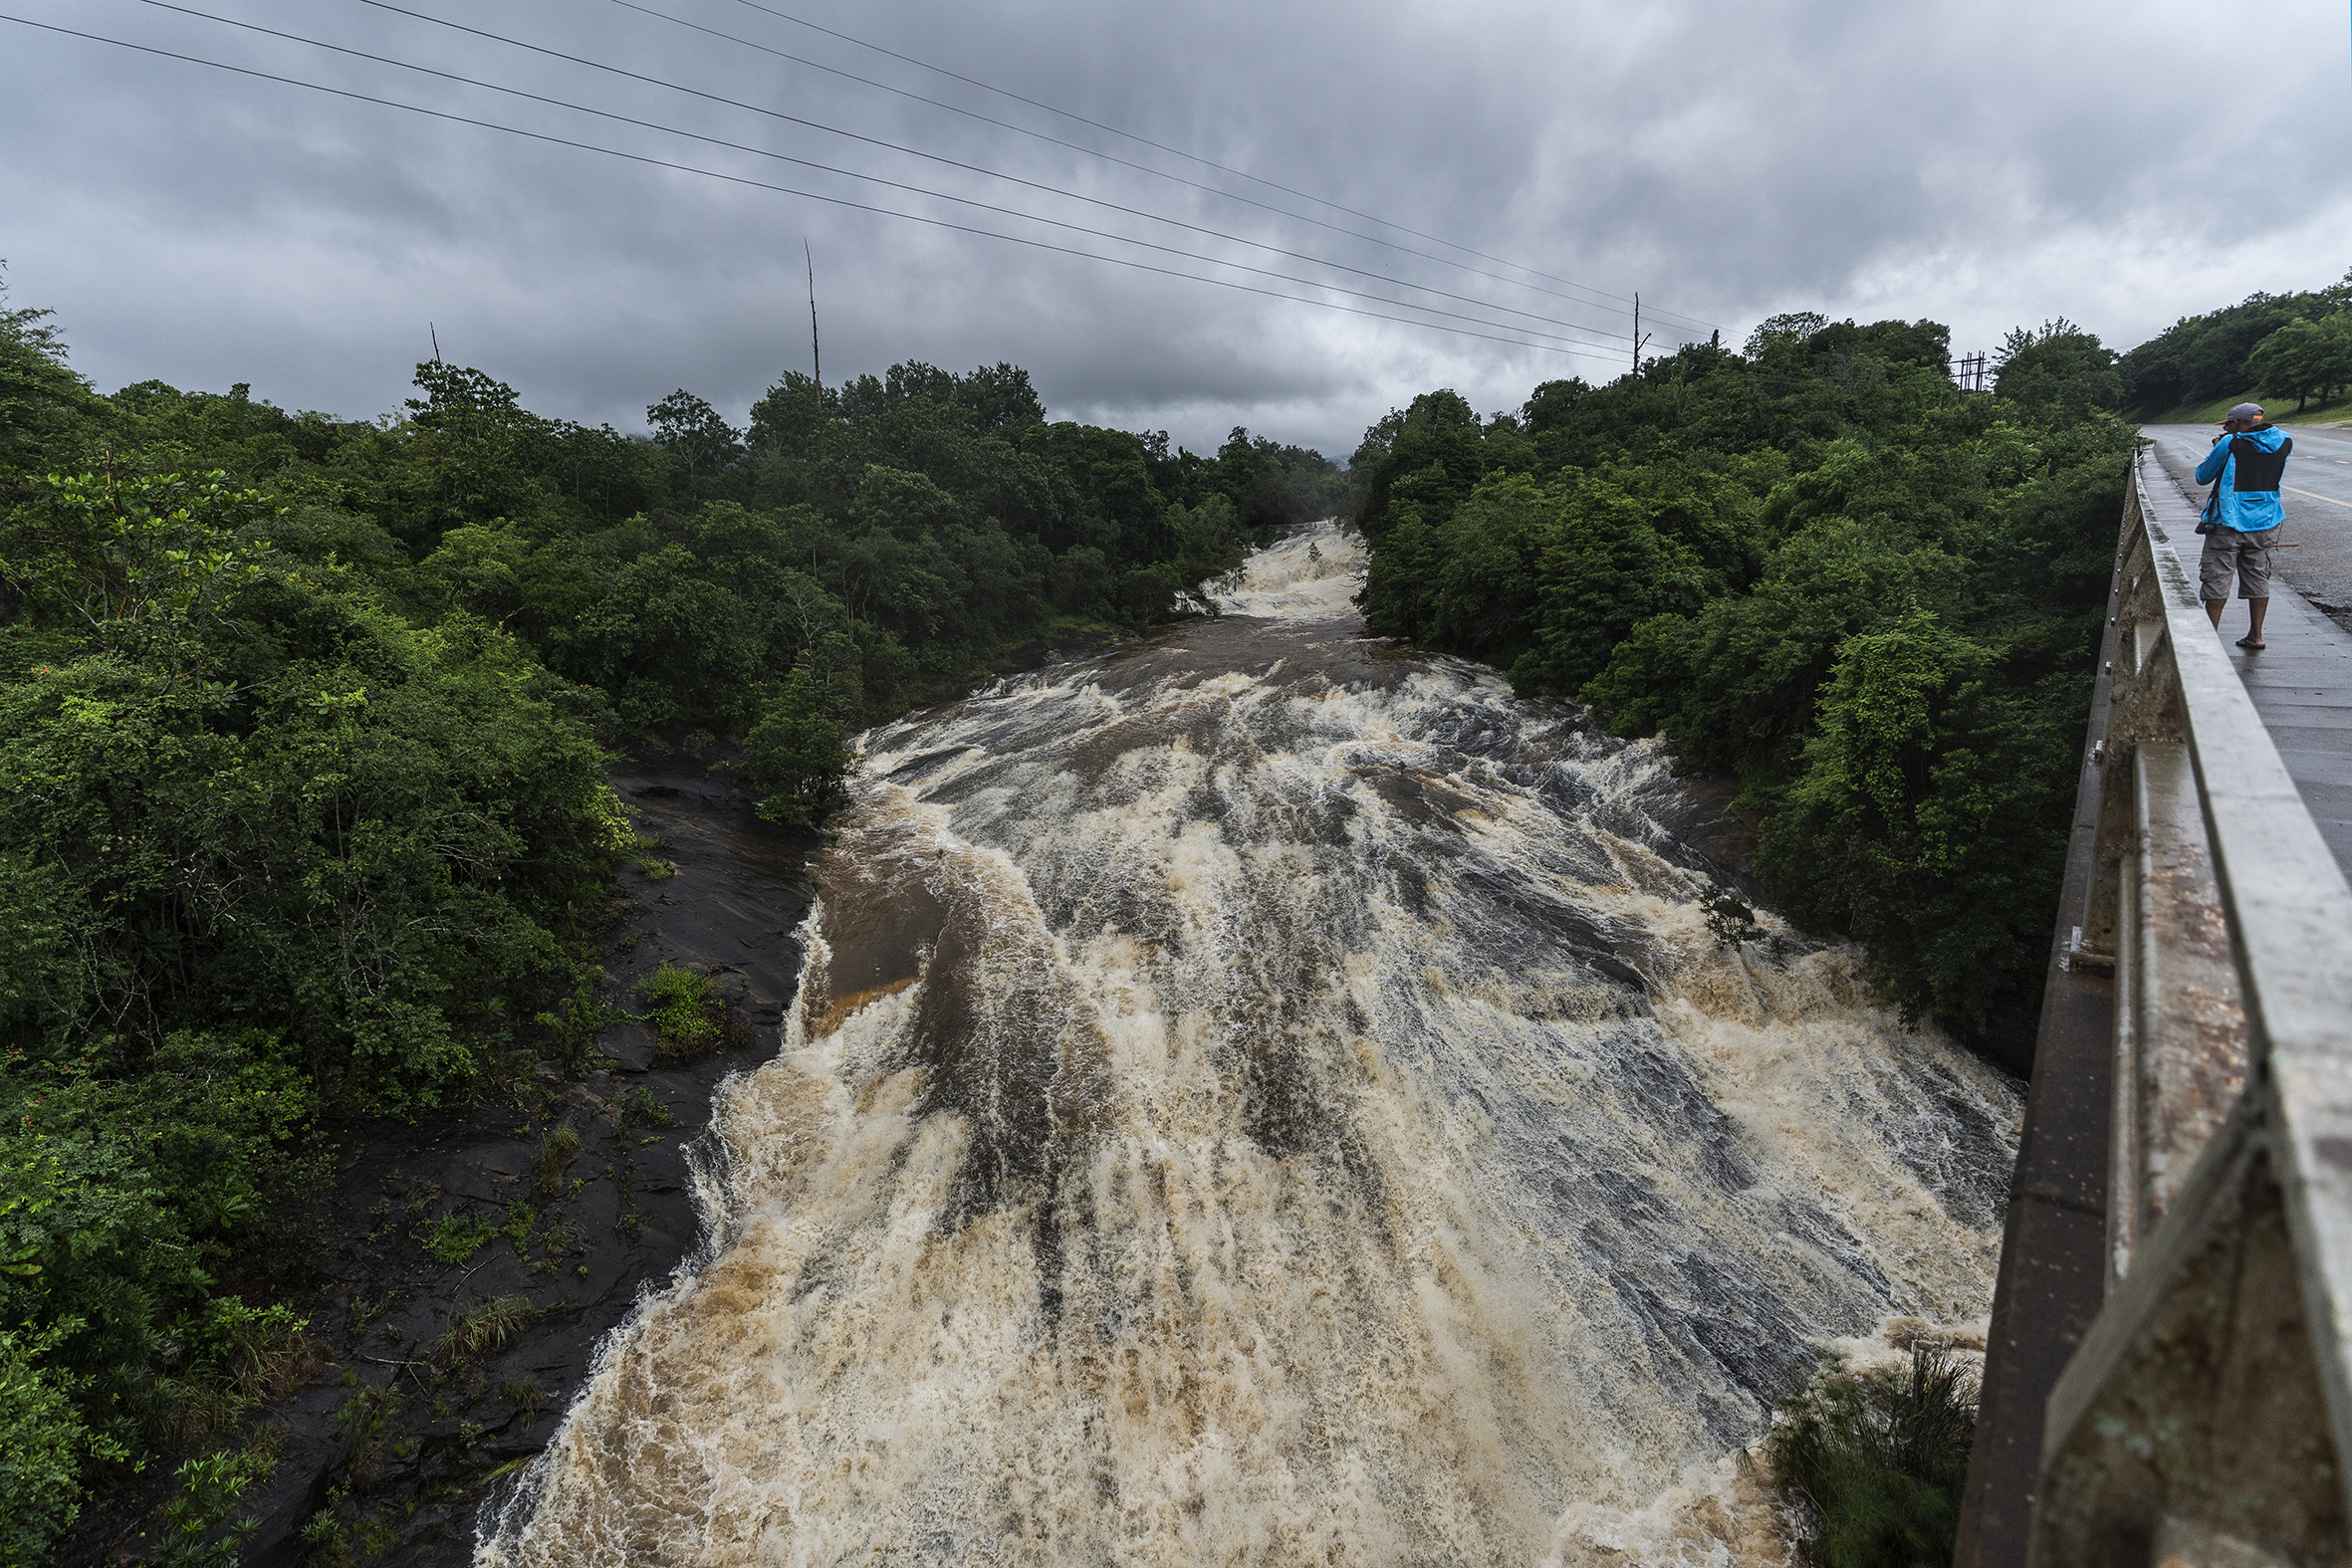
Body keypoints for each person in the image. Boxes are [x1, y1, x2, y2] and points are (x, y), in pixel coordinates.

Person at [2194, 401, 2292, 649]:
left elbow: (2202, 476)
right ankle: (2256, 636)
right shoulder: (2284, 441)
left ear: (2236, 424)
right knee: (2258, 576)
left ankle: (2208, 641)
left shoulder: (2230, 443)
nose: (2226, 429)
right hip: (2264, 521)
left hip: (2228, 521)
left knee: (2217, 579)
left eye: (2228, 425)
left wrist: (2219, 447)